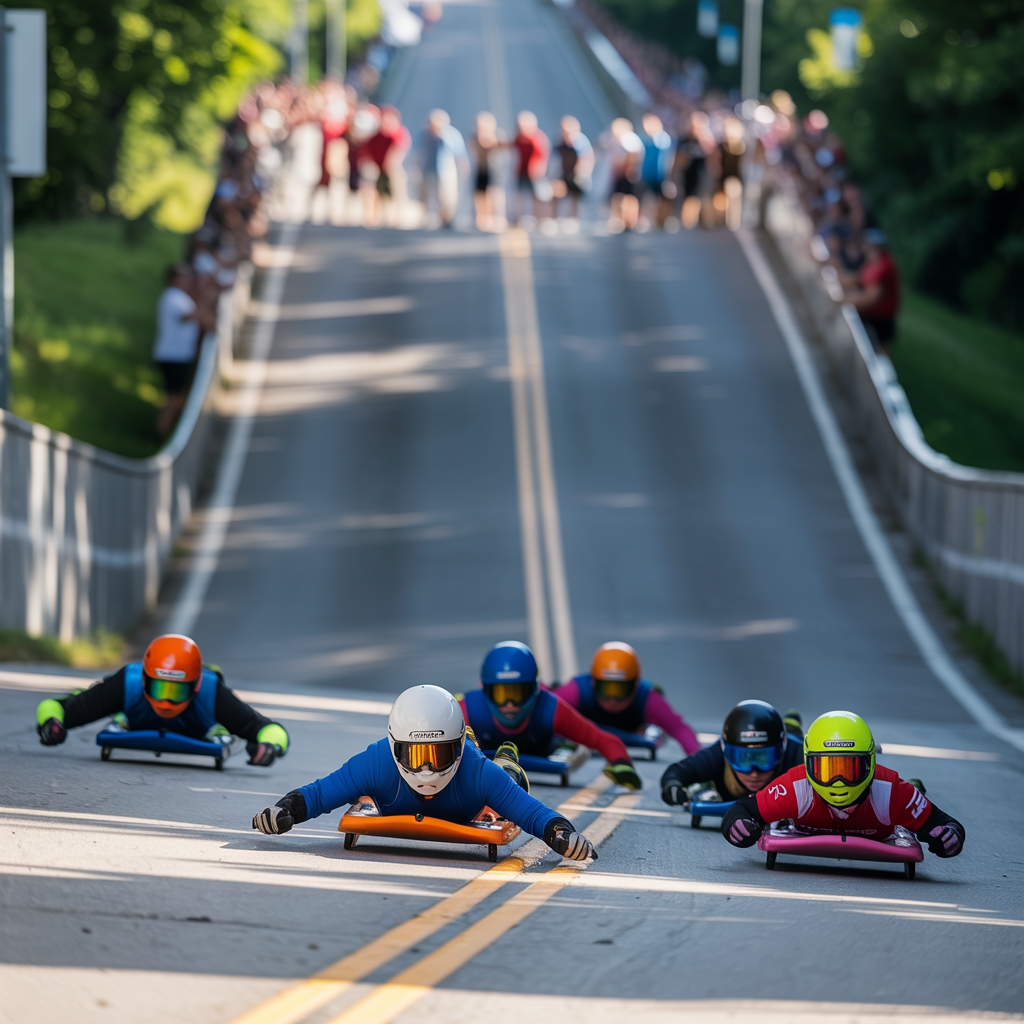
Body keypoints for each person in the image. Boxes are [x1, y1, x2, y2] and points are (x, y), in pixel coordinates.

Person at [252, 685, 598, 862]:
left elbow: (533, 813)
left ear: (457, 749)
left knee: (511, 780)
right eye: (416, 755)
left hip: (479, 768)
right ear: (394, 746)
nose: (427, 769)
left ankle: (506, 759)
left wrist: (561, 836)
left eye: (440, 754)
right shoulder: (377, 761)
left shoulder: (477, 772)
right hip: (464, 764)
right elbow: (320, 793)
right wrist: (285, 811)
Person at [722, 711, 965, 860]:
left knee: (912, 793)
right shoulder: (796, 786)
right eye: (827, 770)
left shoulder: (891, 789)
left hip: (895, 803)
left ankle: (916, 788)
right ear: (808, 766)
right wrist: (738, 826)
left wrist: (947, 838)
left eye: (849, 769)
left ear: (870, 763)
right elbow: (743, 809)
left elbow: (946, 823)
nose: (838, 782)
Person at [35, 634, 290, 766]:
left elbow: (270, 729)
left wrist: (269, 747)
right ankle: (123, 719)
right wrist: (52, 722)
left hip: (200, 728)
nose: (166, 702)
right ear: (146, 680)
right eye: (160, 688)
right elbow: (59, 707)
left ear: (194, 685)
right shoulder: (129, 681)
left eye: (176, 691)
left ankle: (216, 728)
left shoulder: (210, 689)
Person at [458, 641, 642, 789]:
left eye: (518, 694)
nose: (510, 705)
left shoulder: (551, 709)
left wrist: (621, 762)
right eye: (501, 694)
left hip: (541, 749)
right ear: (485, 691)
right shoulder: (468, 709)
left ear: (534, 689)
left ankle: (565, 746)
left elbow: (600, 739)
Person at [555, 642, 701, 756]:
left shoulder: (648, 697)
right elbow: (546, 706)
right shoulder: (577, 690)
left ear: (635, 684)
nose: (612, 699)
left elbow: (679, 728)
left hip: (630, 734)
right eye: (606, 689)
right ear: (593, 681)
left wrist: (697, 761)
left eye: (621, 690)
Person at [660, 700, 803, 806]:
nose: (754, 773)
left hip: (791, 740)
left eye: (763, 758)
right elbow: (677, 772)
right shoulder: (717, 755)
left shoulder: (795, 753)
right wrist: (672, 788)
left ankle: (791, 727)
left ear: (781, 751)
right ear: (726, 751)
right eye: (743, 758)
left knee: (794, 737)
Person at [153, 264, 201, 439]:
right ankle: (161, 436)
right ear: (174, 279)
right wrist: (205, 302)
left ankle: (168, 434)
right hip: (173, 355)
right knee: (173, 399)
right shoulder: (172, 297)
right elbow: (186, 318)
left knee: (177, 398)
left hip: (178, 355)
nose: (187, 281)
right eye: (184, 278)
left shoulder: (179, 297)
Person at [842, 229, 901, 352]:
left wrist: (845, 301)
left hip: (879, 319)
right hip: (873, 315)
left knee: (879, 351)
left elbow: (871, 298)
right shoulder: (872, 261)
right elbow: (858, 280)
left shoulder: (883, 265)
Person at [411, 109, 468, 228]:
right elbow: (417, 153)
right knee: (424, 195)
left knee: (447, 196)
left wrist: (463, 169)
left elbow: (459, 154)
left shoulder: (451, 135)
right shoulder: (424, 134)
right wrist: (415, 169)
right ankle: (425, 217)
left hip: (446, 170)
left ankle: (446, 219)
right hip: (427, 169)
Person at [550, 115, 593, 224]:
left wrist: (583, 173)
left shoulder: (580, 142)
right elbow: (555, 158)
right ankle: (553, 218)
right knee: (556, 192)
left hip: (576, 173)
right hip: (563, 172)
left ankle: (573, 219)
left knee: (574, 196)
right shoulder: (560, 141)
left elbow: (587, 157)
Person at [511, 111, 550, 224]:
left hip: (535, 172)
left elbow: (543, 154)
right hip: (522, 171)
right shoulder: (519, 138)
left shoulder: (537, 138)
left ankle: (541, 218)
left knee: (538, 196)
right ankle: (518, 218)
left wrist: (540, 168)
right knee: (519, 196)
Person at [605, 118, 644, 232]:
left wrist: (626, 170)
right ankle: (621, 220)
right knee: (619, 197)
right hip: (621, 173)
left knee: (628, 198)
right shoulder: (621, 140)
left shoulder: (629, 140)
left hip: (628, 174)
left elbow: (632, 157)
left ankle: (629, 221)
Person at [469, 111, 505, 231]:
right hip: (480, 169)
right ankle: (481, 217)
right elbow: (473, 147)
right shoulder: (475, 137)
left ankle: (493, 216)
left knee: (493, 193)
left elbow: (503, 146)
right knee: (479, 194)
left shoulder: (496, 135)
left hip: (493, 169)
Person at [638, 113, 673, 228]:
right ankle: (644, 220)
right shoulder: (645, 139)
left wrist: (669, 176)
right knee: (645, 198)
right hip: (646, 174)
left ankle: (660, 221)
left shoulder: (662, 138)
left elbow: (667, 159)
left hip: (660, 175)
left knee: (661, 199)